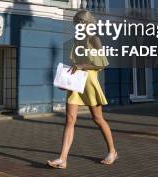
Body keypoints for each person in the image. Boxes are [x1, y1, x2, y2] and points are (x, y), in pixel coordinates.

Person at [47, 10, 118, 170]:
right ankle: (63, 158)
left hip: (89, 83)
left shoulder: (94, 40)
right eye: (75, 24)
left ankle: (112, 151)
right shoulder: (75, 41)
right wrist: (64, 80)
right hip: (75, 83)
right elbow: (73, 63)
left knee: (98, 119)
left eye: (79, 24)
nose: (77, 27)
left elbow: (102, 63)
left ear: (86, 24)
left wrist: (82, 65)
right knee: (70, 120)